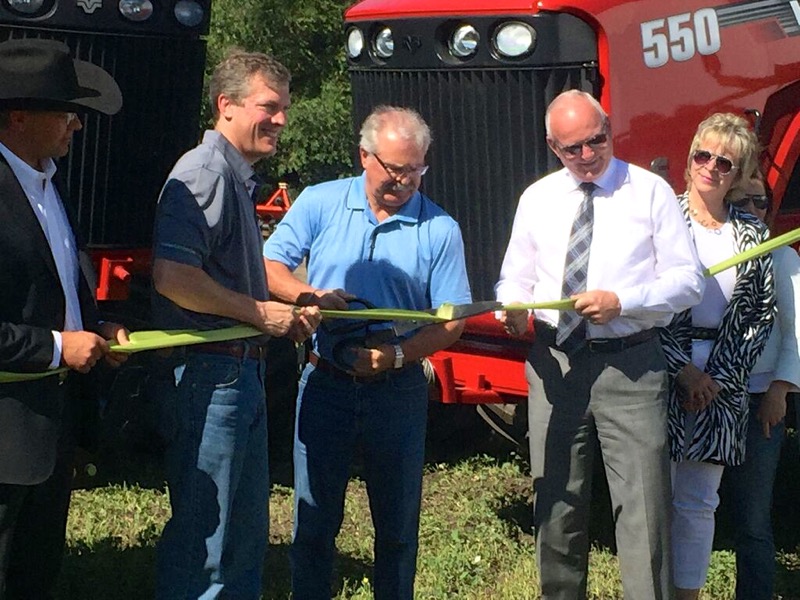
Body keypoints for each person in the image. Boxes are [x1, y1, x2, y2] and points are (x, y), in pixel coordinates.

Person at [496, 89, 706, 599]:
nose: (588, 155)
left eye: (598, 140)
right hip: (554, 366)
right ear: (552, 145)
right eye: (574, 149)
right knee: (556, 503)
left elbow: (688, 281)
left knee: (644, 512)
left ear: (611, 128)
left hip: (631, 364)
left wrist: (624, 301)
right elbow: (512, 279)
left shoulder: (650, 192)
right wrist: (513, 308)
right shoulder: (538, 197)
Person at [263, 105, 472, 599]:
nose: (404, 181)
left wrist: (397, 356)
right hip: (324, 382)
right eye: (394, 169)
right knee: (313, 523)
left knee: (397, 530)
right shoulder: (320, 202)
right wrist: (307, 296)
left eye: (415, 170)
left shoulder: (439, 229)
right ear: (365, 156)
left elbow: (452, 321)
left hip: (396, 390)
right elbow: (270, 263)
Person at [151, 50, 321, 599]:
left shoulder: (234, 176)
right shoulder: (204, 173)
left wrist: (288, 311)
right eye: (269, 107)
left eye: (284, 109)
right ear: (226, 105)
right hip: (211, 377)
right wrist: (258, 314)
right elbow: (173, 276)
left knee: (240, 540)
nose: (281, 120)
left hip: (234, 375)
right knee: (209, 543)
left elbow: (230, 278)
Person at [0, 38, 129, 599]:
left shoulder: (48, 184)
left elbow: (56, 288)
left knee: (35, 573)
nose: (76, 125)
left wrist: (94, 326)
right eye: (66, 111)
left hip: (48, 433)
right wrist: (57, 348)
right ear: (18, 116)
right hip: (7, 438)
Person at [660, 113, 775, 600]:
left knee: (699, 502)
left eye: (723, 161)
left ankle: (687, 594)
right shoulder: (660, 218)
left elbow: (760, 315)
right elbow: (649, 306)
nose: (709, 167)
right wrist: (683, 371)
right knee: (650, 498)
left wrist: (717, 380)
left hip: (723, 385)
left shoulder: (752, 235)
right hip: (660, 372)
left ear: (738, 172)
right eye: (701, 155)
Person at [725, 177, 799, 600]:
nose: (754, 209)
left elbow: (797, 334)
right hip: (713, 396)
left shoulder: (784, 259)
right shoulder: (715, 255)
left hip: (760, 404)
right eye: (743, 201)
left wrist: (779, 392)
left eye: (761, 201)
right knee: (696, 508)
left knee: (753, 519)